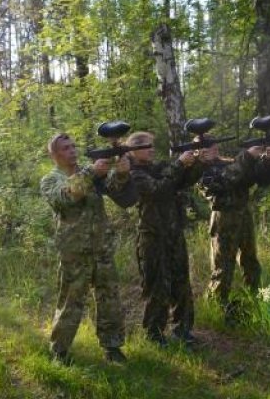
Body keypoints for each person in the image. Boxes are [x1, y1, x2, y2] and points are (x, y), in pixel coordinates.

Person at [40, 132, 136, 364]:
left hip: (101, 247)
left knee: (109, 298)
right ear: (54, 155)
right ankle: (60, 351)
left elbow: (115, 190)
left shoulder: (91, 173)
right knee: (71, 302)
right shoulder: (51, 179)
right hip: (74, 250)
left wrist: (122, 174)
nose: (72, 150)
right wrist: (92, 172)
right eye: (65, 148)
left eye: (73, 146)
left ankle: (112, 347)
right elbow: (64, 198)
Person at [125, 131, 209, 347]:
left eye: (152, 145)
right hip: (152, 238)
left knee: (181, 282)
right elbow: (158, 189)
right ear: (133, 150)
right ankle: (154, 333)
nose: (152, 149)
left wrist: (198, 161)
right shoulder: (134, 174)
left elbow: (182, 181)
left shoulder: (157, 168)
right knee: (157, 286)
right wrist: (180, 164)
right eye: (146, 146)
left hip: (173, 234)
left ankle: (183, 329)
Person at [197, 137, 270, 324]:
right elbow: (220, 184)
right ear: (198, 151)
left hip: (244, 215)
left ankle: (255, 300)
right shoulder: (200, 169)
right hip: (223, 218)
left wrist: (268, 161)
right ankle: (216, 306)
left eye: (213, 145)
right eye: (206, 147)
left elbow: (262, 178)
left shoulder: (231, 163)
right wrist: (247, 156)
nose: (213, 148)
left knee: (251, 260)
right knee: (223, 266)